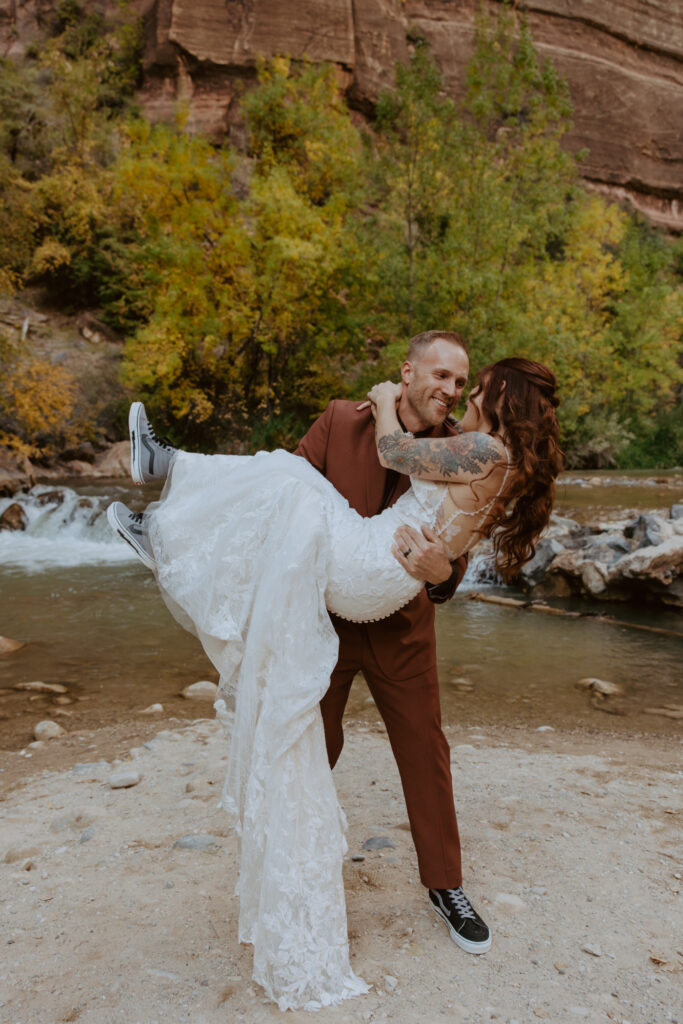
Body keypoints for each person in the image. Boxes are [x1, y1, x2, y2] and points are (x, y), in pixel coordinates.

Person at [107, 354, 563, 1011]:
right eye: (443, 377)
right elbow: (264, 510)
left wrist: (438, 568)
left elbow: (405, 475)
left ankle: (445, 886)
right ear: (409, 372)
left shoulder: (465, 446)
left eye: (467, 383)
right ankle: (167, 532)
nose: (454, 390)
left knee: (424, 750)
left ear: (494, 396)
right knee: (285, 480)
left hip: (385, 600)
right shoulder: (348, 424)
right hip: (333, 598)